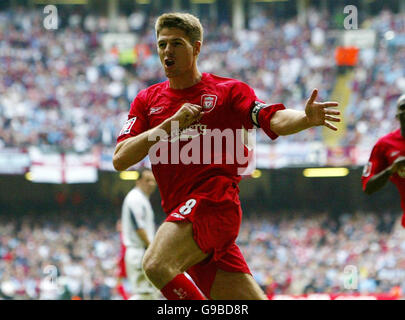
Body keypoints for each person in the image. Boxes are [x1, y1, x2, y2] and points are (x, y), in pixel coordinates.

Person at [113, 12, 340, 300]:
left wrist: (306, 119)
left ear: (196, 47)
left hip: (214, 203)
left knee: (156, 264)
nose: (167, 51)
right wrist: (168, 127)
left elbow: (272, 117)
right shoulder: (147, 101)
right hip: (183, 214)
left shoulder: (228, 92)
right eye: (162, 44)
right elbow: (120, 158)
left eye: (177, 44)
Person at [362, 94, 405, 228]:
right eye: (403, 107)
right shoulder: (384, 145)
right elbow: (368, 186)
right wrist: (391, 170)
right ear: (396, 115)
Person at [120, 167, 160, 300]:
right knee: (144, 294)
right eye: (147, 180)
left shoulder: (142, 198)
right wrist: (152, 248)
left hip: (142, 250)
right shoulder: (135, 198)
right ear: (138, 181)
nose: (151, 184)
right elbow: (139, 227)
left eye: (153, 181)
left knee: (149, 294)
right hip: (139, 251)